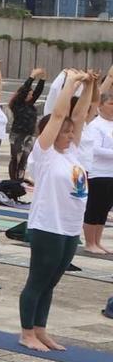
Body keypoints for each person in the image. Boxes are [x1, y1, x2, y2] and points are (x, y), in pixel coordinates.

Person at [21, 72, 97, 349]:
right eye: (63, 133)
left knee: (51, 282)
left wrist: (88, 86)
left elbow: (77, 118)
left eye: (69, 132)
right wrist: (70, 85)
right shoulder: (44, 155)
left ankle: (40, 329)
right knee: (38, 280)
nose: (69, 135)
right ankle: (26, 332)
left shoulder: (72, 154)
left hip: (68, 228)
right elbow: (59, 115)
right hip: (47, 226)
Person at [83, 86, 113, 256]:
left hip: (111, 173)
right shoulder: (96, 125)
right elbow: (95, 149)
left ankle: (98, 241)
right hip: (98, 173)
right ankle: (89, 242)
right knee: (94, 208)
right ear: (100, 105)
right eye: (111, 103)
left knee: (104, 209)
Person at [8, 69, 48, 185]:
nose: (31, 95)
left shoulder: (30, 104)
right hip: (18, 135)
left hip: (29, 135)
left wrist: (43, 78)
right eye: (29, 94)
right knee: (16, 158)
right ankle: (13, 181)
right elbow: (24, 89)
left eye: (31, 94)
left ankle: (20, 180)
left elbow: (38, 92)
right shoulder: (17, 104)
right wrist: (32, 77)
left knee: (24, 159)